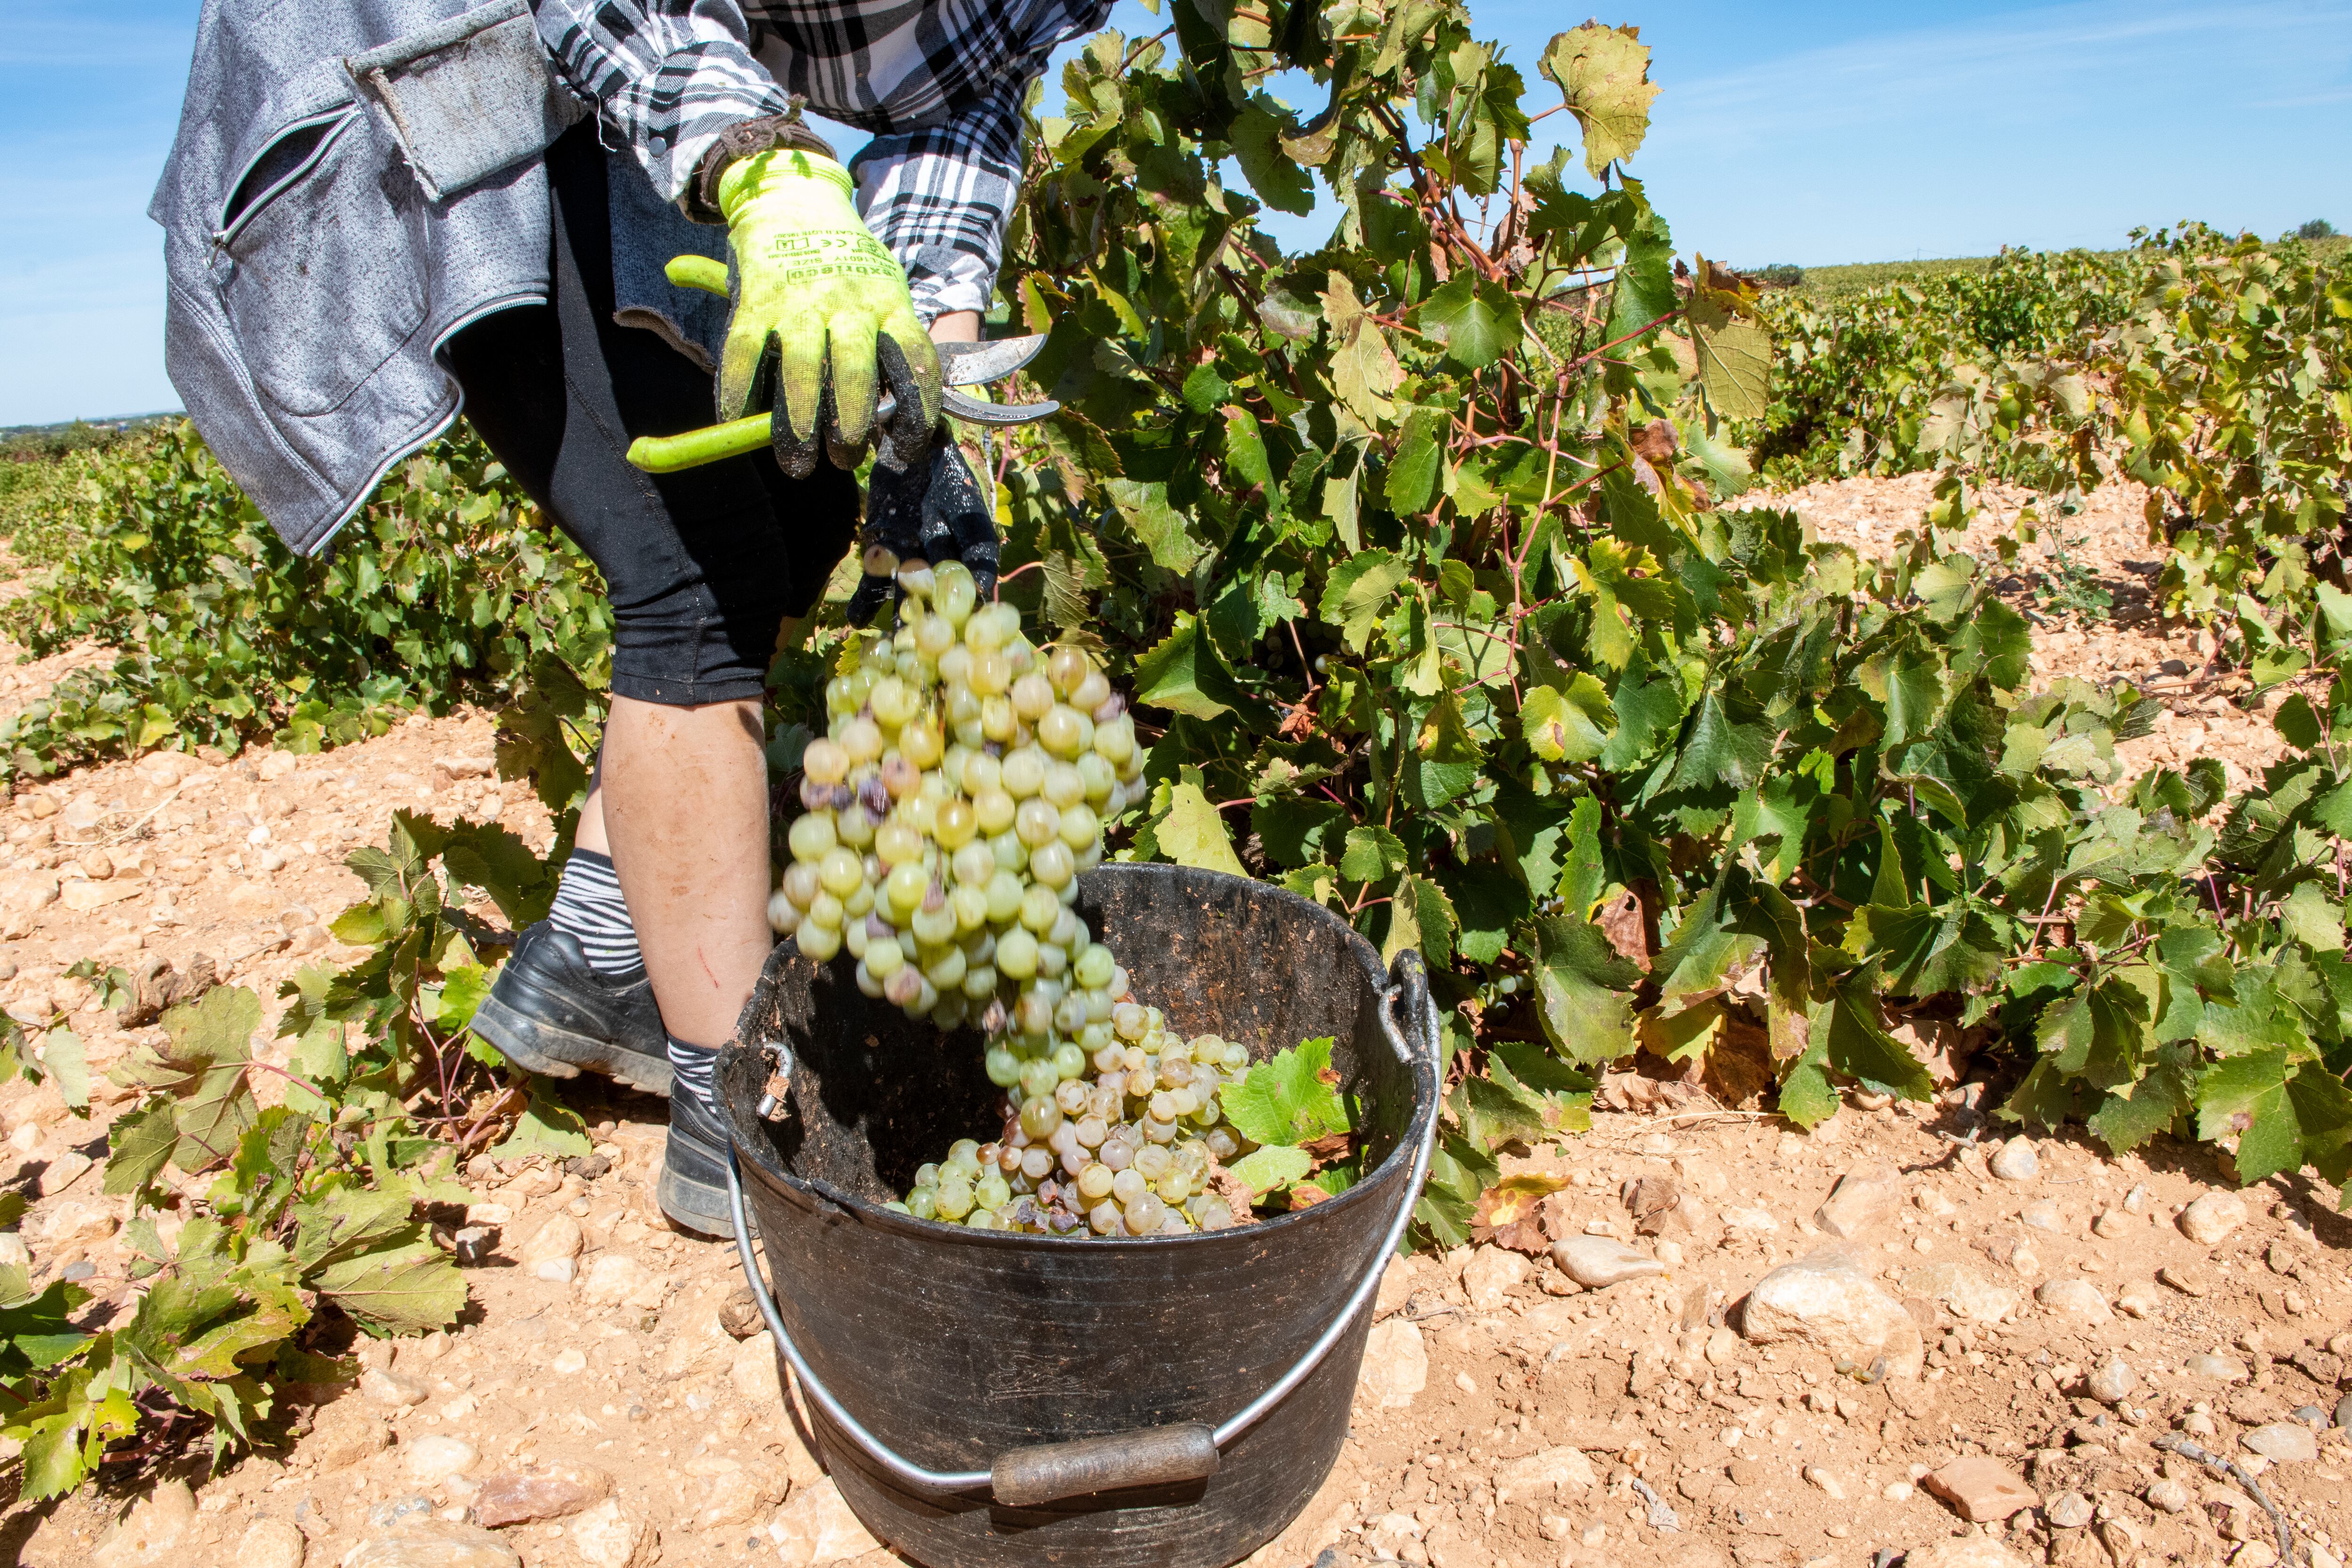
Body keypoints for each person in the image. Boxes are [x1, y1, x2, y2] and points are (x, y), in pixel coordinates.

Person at [155, 0, 1108, 1234]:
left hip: (612, 112)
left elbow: (958, 107)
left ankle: (598, 963)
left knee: (795, 516)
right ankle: (734, 1126)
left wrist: (926, 343)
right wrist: (763, 167)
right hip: (444, 64)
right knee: (690, 577)